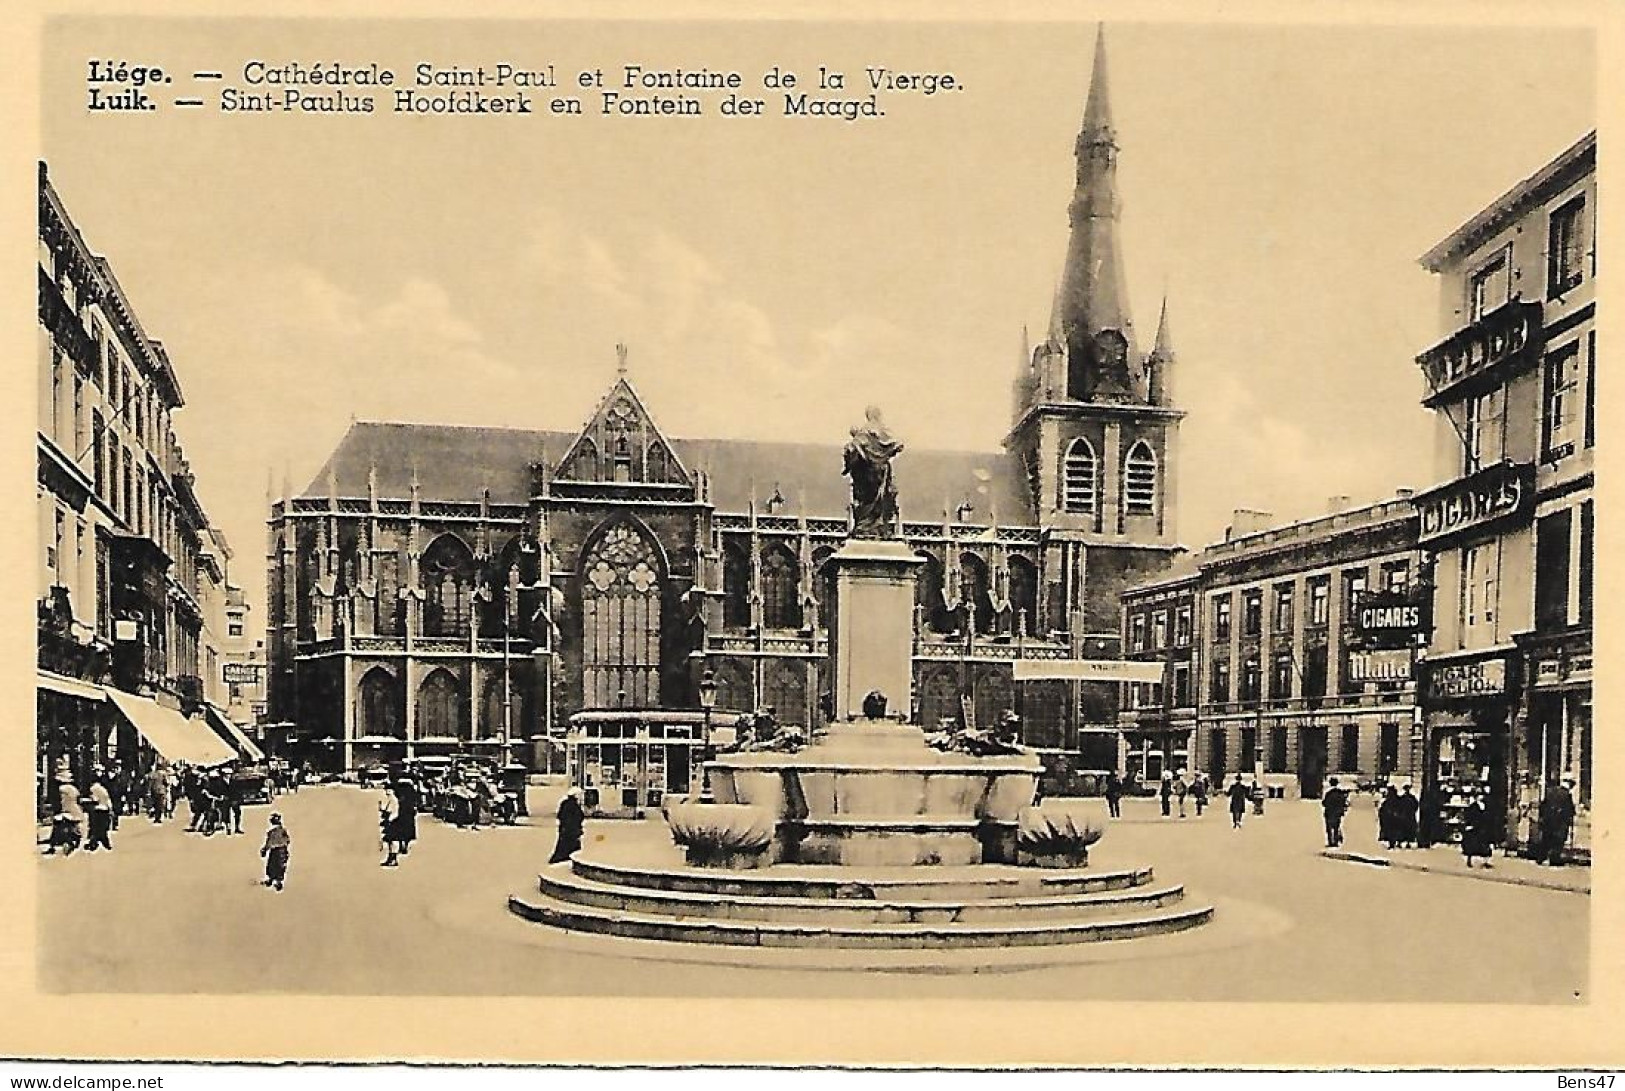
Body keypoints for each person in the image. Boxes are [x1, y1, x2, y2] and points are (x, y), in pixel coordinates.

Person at [1537, 774, 1578, 867]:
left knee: (1546, 839)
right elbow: (1570, 810)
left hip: (1548, 821)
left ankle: (1542, 857)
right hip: (1560, 823)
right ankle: (1553, 859)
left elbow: (1543, 805)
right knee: (1558, 841)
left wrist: (1542, 818)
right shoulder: (1567, 795)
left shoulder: (1550, 791)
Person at [46, 774, 84, 855]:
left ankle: (53, 845)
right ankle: (75, 839)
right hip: (75, 811)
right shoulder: (75, 789)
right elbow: (78, 800)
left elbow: (60, 801)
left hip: (65, 811)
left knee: (57, 828)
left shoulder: (61, 789)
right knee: (71, 827)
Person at [550, 787, 586, 864]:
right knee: (569, 845)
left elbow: (560, 815)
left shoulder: (565, 803)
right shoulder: (573, 805)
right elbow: (578, 816)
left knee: (564, 845)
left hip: (566, 829)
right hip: (570, 830)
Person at [1460, 793, 1494, 868]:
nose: (1482, 797)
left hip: (1483, 828)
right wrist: (1469, 825)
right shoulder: (1473, 806)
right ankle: (1469, 860)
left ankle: (1485, 862)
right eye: (1480, 795)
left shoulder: (1485, 805)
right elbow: (1469, 816)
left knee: (1484, 845)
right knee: (1472, 845)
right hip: (1475, 827)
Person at [260, 812, 292, 891]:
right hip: (282, 850)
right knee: (279, 866)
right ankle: (276, 881)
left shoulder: (272, 831)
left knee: (272, 865)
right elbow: (287, 840)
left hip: (275, 850)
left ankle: (273, 880)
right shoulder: (282, 830)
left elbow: (269, 842)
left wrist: (265, 849)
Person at [85, 770, 115, 852]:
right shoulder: (103, 788)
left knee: (96, 828)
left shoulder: (93, 789)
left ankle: (95, 844)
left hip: (98, 810)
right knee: (103, 828)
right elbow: (108, 800)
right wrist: (111, 810)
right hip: (105, 809)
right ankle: (104, 843)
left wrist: (87, 801)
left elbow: (95, 799)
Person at [1322, 777, 1350, 849]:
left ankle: (1331, 841)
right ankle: (1336, 841)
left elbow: (1324, 803)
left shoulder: (1329, 793)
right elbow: (1344, 803)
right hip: (1337, 813)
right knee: (1336, 827)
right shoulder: (1340, 793)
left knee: (1329, 828)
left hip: (1329, 813)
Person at [394, 777, 419, 855]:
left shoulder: (399, 792)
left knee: (401, 830)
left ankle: (402, 845)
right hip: (408, 812)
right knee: (407, 830)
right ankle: (404, 845)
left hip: (403, 812)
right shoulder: (411, 792)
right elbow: (415, 801)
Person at [379, 785, 402, 867]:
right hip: (391, 821)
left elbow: (394, 812)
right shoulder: (391, 799)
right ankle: (390, 858)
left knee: (393, 840)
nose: (387, 791)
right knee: (390, 841)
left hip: (394, 822)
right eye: (386, 790)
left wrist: (389, 820)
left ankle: (393, 859)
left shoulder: (394, 800)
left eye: (389, 790)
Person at [1396, 782, 1420, 849]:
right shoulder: (1407, 798)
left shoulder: (1409, 798)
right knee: (1404, 829)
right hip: (1406, 816)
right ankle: (1402, 842)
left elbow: (1416, 805)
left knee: (1407, 829)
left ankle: (1407, 842)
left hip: (1408, 816)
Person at [1377, 785, 1401, 850]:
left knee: (1392, 832)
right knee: (1393, 832)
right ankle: (1393, 843)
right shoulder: (1395, 799)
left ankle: (1392, 843)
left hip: (1391, 819)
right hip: (1392, 818)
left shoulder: (1390, 800)